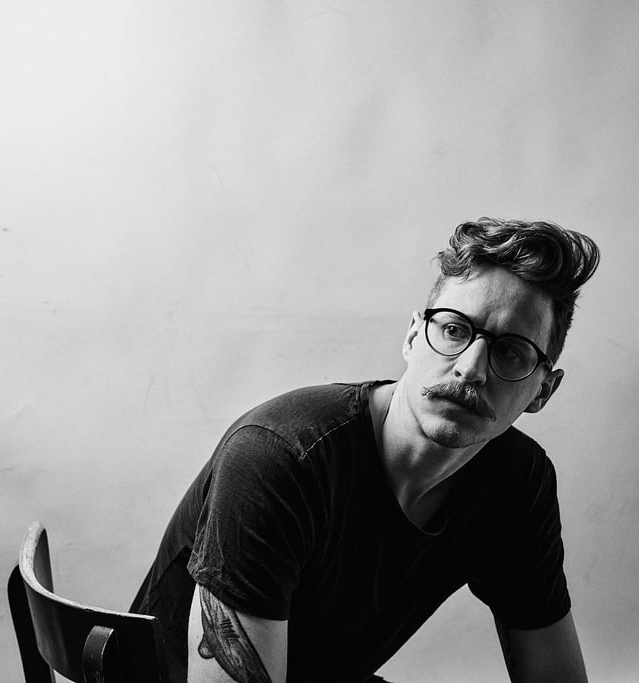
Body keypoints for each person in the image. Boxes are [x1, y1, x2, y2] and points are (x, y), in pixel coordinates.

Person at [132, 217, 601, 682]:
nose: (470, 369)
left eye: (512, 352)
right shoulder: (280, 459)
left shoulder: (517, 482)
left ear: (543, 391)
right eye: (455, 330)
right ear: (415, 336)